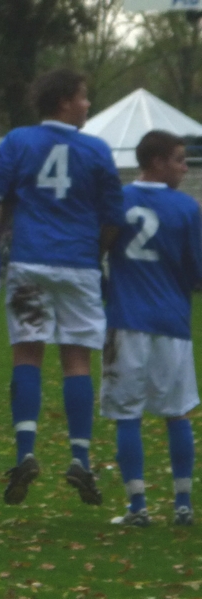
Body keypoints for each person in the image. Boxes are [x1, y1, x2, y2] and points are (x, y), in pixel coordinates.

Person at [0, 68, 123, 506]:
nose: (87, 104)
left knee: (27, 353)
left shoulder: (19, 140)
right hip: (78, 264)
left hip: (29, 261)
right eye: (83, 97)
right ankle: (79, 458)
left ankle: (25, 452)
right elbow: (114, 217)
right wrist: (94, 252)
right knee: (76, 360)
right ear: (64, 101)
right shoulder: (96, 149)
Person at [101, 131, 201, 527]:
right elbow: (196, 271)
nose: (185, 168)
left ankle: (137, 506)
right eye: (179, 160)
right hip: (172, 322)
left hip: (126, 320)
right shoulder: (187, 207)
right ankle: (183, 504)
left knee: (128, 414)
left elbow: (97, 250)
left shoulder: (119, 200)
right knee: (177, 413)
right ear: (157, 162)